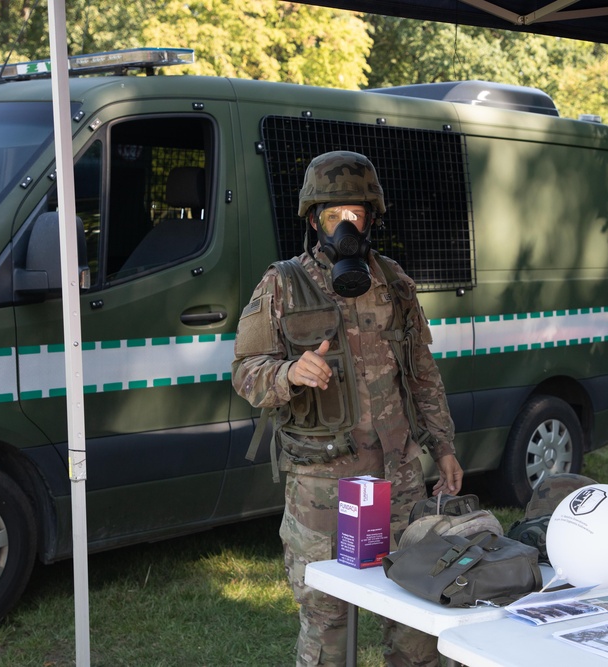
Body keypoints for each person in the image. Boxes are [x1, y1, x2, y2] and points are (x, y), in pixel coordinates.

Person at [232, 150, 463, 667]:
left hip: (399, 479)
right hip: (324, 484)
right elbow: (245, 371)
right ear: (315, 220)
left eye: (355, 215)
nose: (345, 227)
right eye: (333, 216)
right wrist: (288, 374)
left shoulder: (396, 283)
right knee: (327, 624)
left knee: (417, 621)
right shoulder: (283, 284)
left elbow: (422, 372)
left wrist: (442, 446)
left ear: (372, 218)